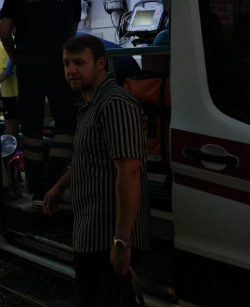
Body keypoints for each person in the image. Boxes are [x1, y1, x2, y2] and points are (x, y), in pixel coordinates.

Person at [43, 34, 150, 306]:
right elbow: (88, 160)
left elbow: (130, 172)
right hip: (90, 235)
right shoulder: (91, 105)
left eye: (79, 62)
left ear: (101, 63)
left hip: (108, 240)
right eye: (67, 63)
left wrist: (121, 243)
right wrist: (59, 187)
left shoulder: (114, 105)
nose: (71, 70)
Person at [0, 0, 81, 202]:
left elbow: (4, 31)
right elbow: (73, 33)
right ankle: (52, 178)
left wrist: (16, 56)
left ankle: (34, 185)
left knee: (31, 125)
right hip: (58, 63)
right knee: (66, 122)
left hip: (28, 63)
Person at [0, 9, 19, 142]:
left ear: (0, 23)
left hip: (10, 94)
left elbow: (6, 72)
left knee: (11, 131)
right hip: (20, 92)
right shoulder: (19, 41)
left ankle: (13, 157)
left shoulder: (4, 44)